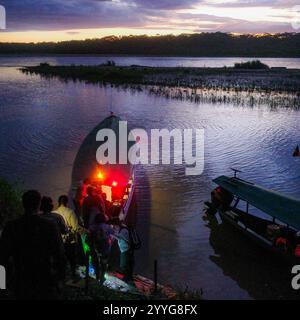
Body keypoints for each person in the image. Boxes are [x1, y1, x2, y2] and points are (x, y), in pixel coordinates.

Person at [0, 190, 65, 300]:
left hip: (21, 280)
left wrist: (3, 285)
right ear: (39, 204)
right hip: (45, 279)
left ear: (23, 203)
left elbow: (2, 257)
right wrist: (60, 280)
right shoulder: (49, 225)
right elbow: (59, 254)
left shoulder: (12, 226)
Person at [54, 195, 84, 278]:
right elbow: (75, 228)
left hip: (58, 241)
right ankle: (73, 276)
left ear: (58, 202)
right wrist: (85, 231)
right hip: (70, 242)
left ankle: (61, 277)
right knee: (72, 260)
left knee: (60, 261)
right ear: (67, 202)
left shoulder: (54, 213)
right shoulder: (70, 212)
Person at [89, 214, 114, 283]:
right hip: (105, 248)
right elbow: (112, 236)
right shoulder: (108, 227)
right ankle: (102, 277)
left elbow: (89, 237)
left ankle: (97, 276)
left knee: (95, 262)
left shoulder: (92, 227)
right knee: (104, 262)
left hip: (94, 247)